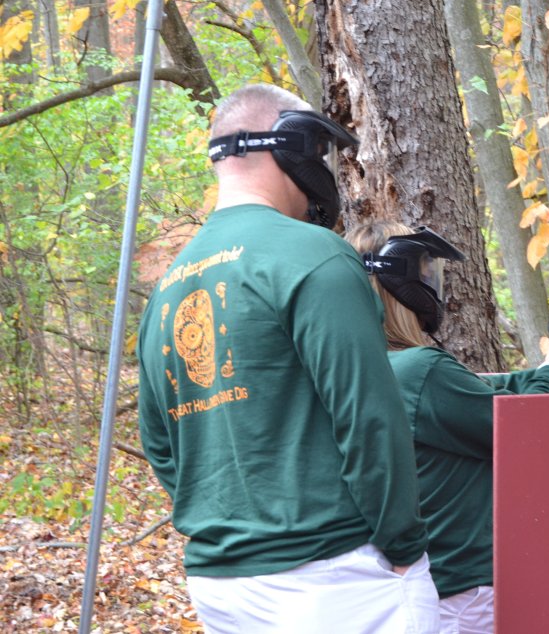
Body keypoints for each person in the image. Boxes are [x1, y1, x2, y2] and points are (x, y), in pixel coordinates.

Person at [136, 84, 439, 634]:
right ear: (294, 147)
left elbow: (160, 444)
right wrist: (403, 544)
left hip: (221, 583)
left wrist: (233, 527)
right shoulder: (313, 254)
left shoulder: (168, 287)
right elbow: (369, 416)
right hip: (334, 577)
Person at [347, 221, 549, 634]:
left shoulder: (371, 367)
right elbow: (525, 432)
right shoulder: (421, 370)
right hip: (462, 590)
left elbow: (481, 392)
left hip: (423, 582)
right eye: (425, 270)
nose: (435, 282)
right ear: (401, 283)